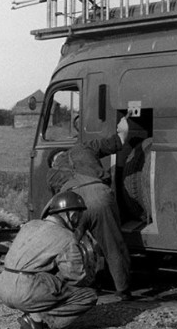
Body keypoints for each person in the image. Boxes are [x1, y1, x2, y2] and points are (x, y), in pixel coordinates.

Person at [0, 190, 98, 329]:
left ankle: (31, 318)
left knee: (45, 281)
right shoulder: (66, 236)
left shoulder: (30, 225)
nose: (79, 219)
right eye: (78, 215)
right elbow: (75, 276)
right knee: (87, 295)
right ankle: (38, 320)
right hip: (25, 290)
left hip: (2, 285)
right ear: (72, 215)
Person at [47, 116, 133, 300]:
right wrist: (125, 119)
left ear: (54, 161)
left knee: (69, 245)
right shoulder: (83, 148)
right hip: (99, 196)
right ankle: (123, 291)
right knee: (113, 245)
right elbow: (119, 140)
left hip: (72, 205)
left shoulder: (52, 172)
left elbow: (56, 202)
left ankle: (71, 287)